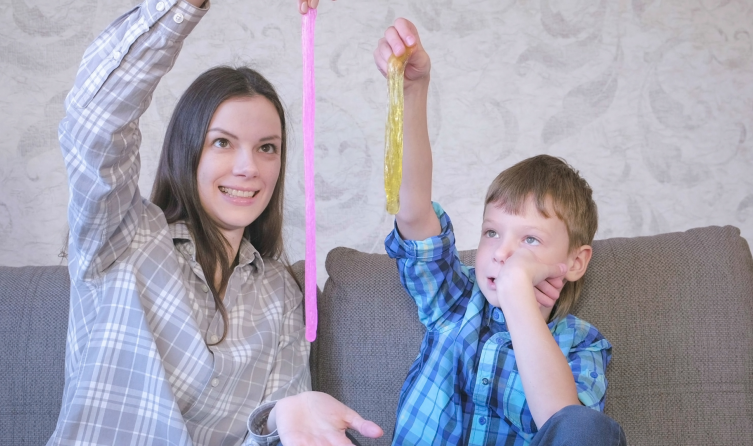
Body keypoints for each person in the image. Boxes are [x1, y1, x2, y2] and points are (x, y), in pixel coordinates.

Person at [49, 0, 383, 444]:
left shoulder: (281, 295)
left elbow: (275, 430)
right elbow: (93, 124)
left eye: (267, 148)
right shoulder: (124, 236)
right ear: (187, 151)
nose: (249, 168)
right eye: (223, 142)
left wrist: (283, 417)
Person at [373, 18, 627, 445]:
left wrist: (518, 300)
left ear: (576, 261)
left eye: (529, 240)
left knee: (587, 429)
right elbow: (412, 211)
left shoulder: (582, 346)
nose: (501, 252)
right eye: (492, 232)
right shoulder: (455, 303)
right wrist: (413, 90)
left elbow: (565, 428)